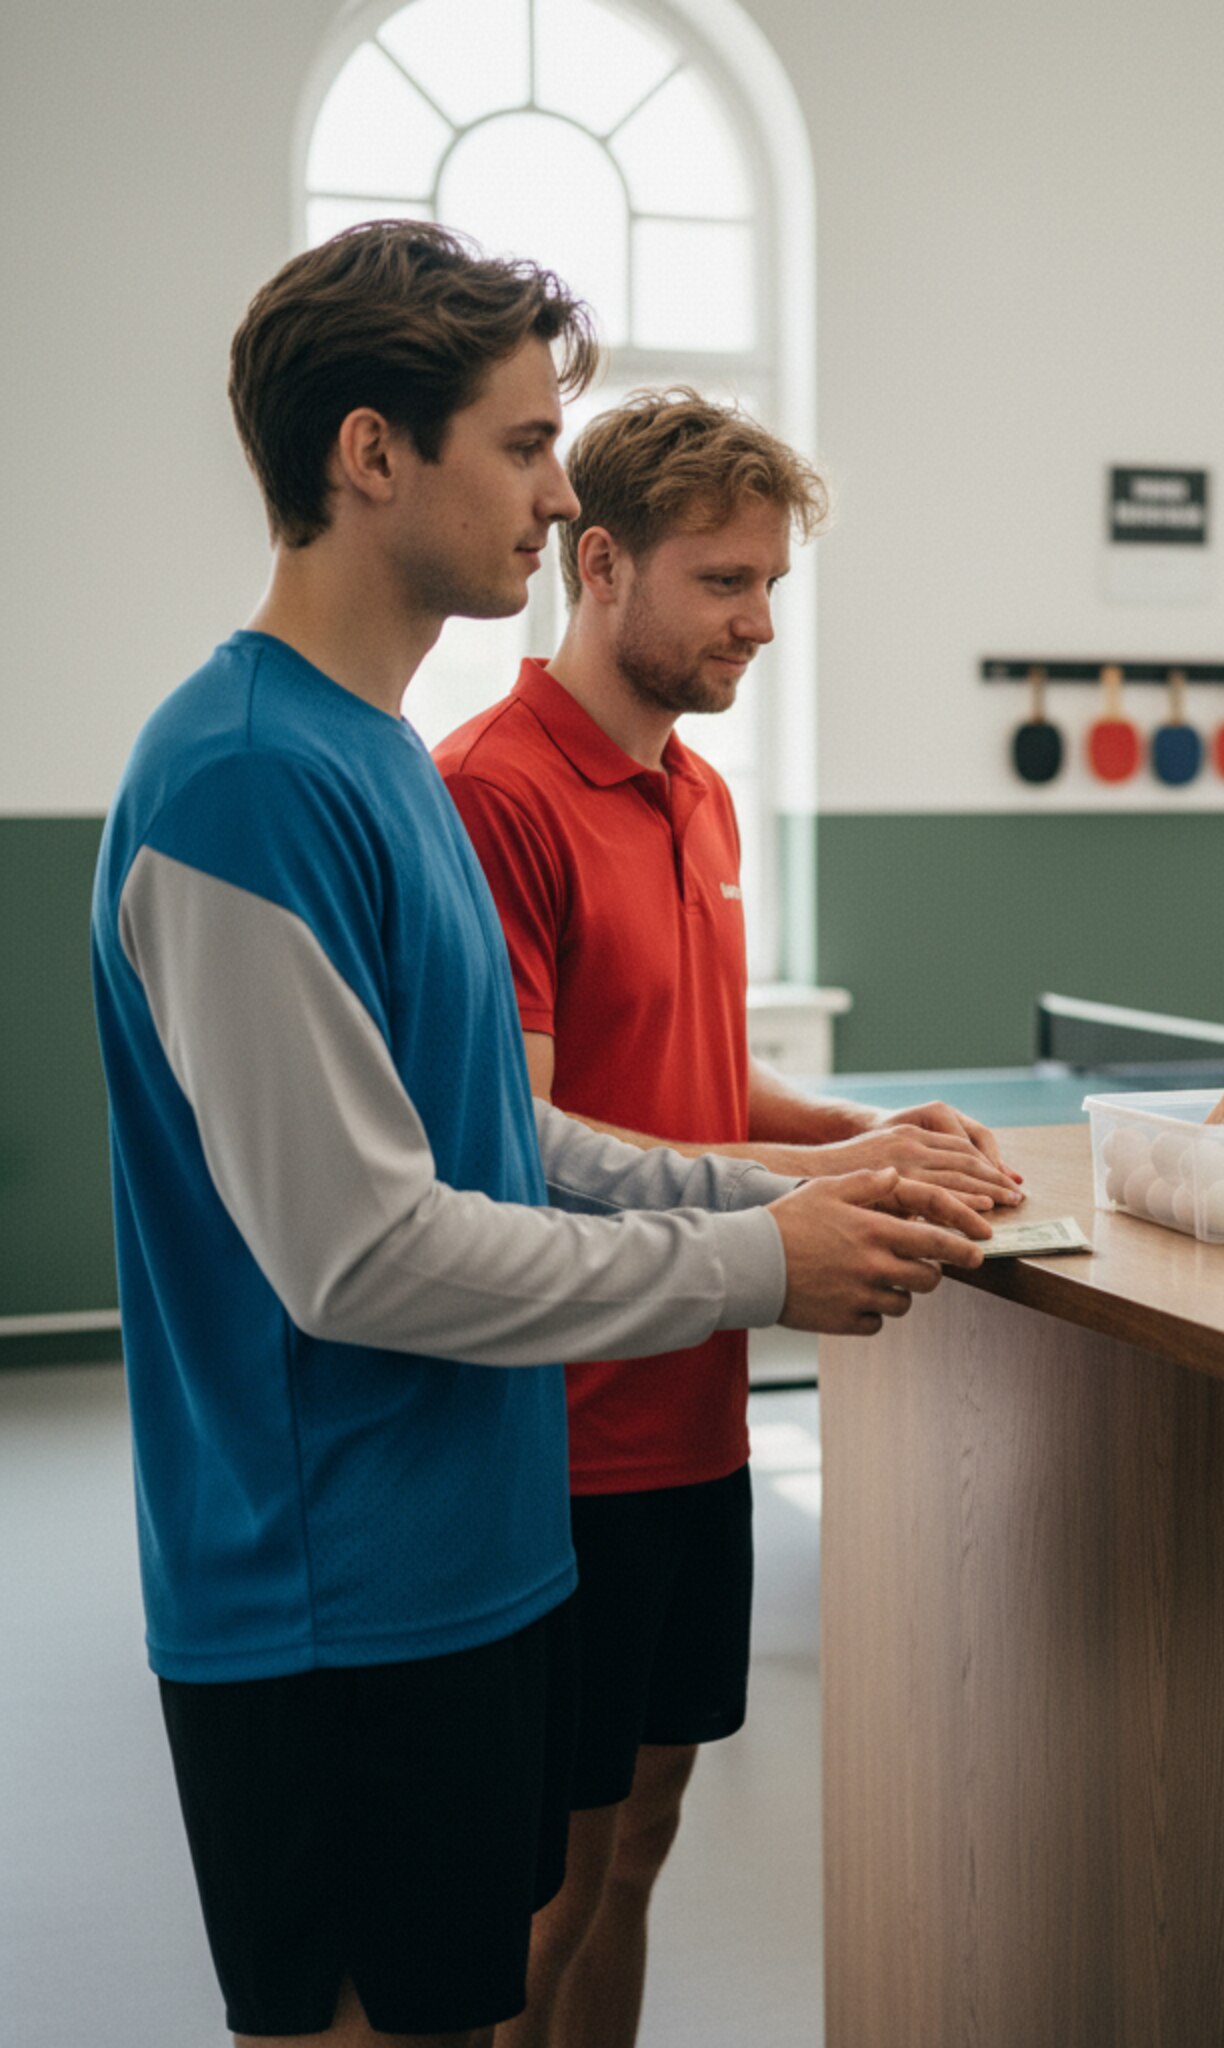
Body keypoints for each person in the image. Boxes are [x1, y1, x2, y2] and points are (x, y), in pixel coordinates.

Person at [89, 224, 986, 2048]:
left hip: (466, 1561)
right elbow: (361, 1255)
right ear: (370, 453)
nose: (560, 491)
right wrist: (756, 1258)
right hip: (332, 1596)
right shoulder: (247, 778)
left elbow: (512, 1136)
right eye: (520, 445)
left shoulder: (366, 752)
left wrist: (799, 1192)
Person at [434, 387, 1023, 2048]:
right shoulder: (488, 794)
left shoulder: (697, 795)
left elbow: (694, 1065)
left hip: (697, 1419)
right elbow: (523, 1138)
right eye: (724, 582)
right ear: (600, 564)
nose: (760, 621)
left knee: (639, 1845)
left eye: (772, 584)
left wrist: (855, 1131)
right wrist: (817, 1184)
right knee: (542, 1898)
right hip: (557, 1433)